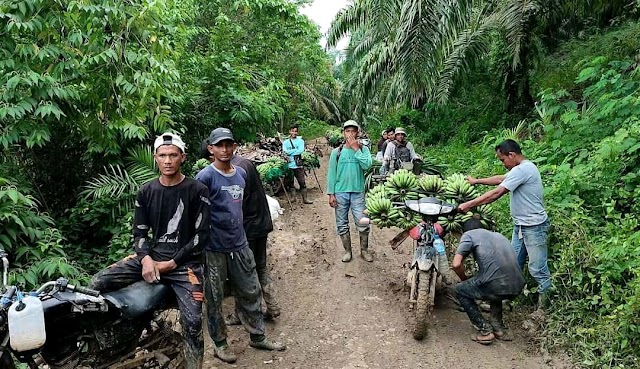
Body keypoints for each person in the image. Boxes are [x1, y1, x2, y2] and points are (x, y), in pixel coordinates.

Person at [90, 133, 210, 369]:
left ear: (182, 157)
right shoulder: (147, 191)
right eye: (163, 155)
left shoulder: (197, 190)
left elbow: (202, 236)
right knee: (95, 284)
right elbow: (140, 233)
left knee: (193, 322)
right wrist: (145, 259)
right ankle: (102, 344)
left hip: (185, 264)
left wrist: (172, 263)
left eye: (173, 155)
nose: (168, 160)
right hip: (152, 256)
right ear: (155, 158)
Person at [196, 127, 286, 364]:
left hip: (240, 243)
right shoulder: (205, 177)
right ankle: (220, 344)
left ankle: (257, 336)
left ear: (234, 146)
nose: (224, 149)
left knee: (250, 289)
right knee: (214, 298)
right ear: (211, 149)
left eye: (228, 144)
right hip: (214, 248)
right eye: (219, 145)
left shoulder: (240, 174)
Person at [458, 139, 551, 312]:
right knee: (512, 265)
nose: (503, 164)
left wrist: (469, 204)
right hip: (521, 227)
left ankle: (543, 311)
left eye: (503, 160)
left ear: (512, 155)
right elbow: (500, 179)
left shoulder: (525, 169)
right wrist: (476, 181)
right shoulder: (520, 169)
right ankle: (507, 301)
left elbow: (497, 193)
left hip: (533, 227)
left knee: (538, 269)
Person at [452, 220, 525, 345]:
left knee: (460, 290)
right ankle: (499, 328)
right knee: (493, 284)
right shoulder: (499, 236)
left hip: (495, 284)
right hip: (517, 284)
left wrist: (464, 279)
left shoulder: (468, 235)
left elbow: (456, 264)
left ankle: (485, 330)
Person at [227, 152, 281, 321]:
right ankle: (272, 306)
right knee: (261, 266)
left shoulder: (233, 170)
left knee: (242, 272)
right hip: (261, 222)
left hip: (247, 228)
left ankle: (242, 314)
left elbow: (235, 203)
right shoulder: (246, 163)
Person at [327, 120, 373, 262]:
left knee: (363, 222)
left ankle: (364, 250)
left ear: (357, 133)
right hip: (340, 193)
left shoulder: (363, 150)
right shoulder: (337, 152)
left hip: (358, 192)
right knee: (341, 223)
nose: (350, 134)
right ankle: (347, 251)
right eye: (348, 131)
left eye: (353, 131)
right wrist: (331, 194)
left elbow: (367, 165)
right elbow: (331, 173)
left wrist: (356, 149)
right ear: (343, 133)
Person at [282, 124, 313, 204]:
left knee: (302, 182)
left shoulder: (301, 141)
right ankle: (293, 198)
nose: (294, 133)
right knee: (290, 183)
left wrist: (290, 152)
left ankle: (305, 199)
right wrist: (295, 151)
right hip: (289, 165)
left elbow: (300, 151)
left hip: (298, 165)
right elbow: (285, 151)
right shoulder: (285, 142)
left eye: (296, 131)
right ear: (289, 131)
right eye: (292, 131)